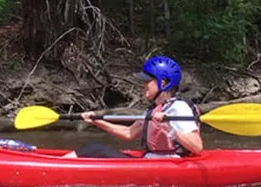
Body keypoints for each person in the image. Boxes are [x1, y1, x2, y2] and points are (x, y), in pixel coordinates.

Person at [65, 56, 204, 158]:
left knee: (93, 148)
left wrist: (168, 126)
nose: (143, 85)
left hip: (169, 164)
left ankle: (54, 167)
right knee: (92, 147)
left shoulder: (179, 108)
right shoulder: (155, 109)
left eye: (147, 81)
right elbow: (128, 133)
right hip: (150, 161)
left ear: (163, 83)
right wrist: (96, 121)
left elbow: (197, 147)